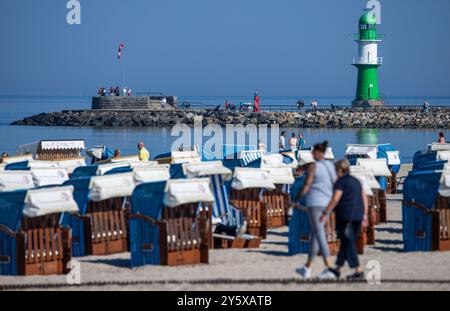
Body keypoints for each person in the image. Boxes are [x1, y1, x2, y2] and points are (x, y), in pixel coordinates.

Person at [295, 141, 337, 279]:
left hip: (315, 203)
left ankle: (330, 267)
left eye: (313, 152)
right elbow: (335, 184)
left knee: (319, 233)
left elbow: (307, 185)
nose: (312, 154)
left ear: (318, 153)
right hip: (327, 203)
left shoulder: (313, 167)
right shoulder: (331, 166)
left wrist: (297, 198)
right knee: (315, 234)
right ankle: (307, 268)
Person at [320, 159, 368, 280]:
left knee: (349, 242)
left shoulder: (340, 182)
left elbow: (336, 199)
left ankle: (358, 271)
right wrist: (365, 215)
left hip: (346, 216)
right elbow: (364, 197)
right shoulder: (356, 181)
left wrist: (325, 212)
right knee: (346, 242)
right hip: (357, 215)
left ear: (340, 170)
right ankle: (337, 269)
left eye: (335, 170)